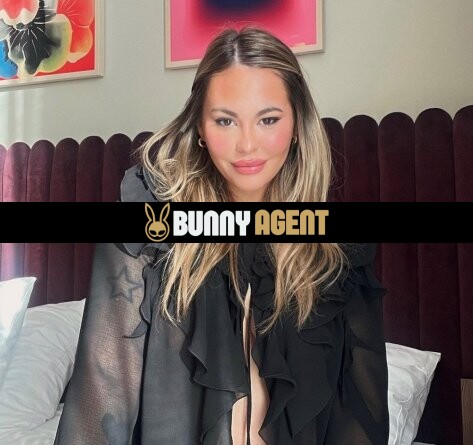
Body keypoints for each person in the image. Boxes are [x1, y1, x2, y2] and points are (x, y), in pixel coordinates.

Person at [54, 28, 389, 445]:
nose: (247, 145)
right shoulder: (149, 232)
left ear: (297, 125)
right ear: (200, 126)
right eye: (225, 120)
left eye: (268, 119)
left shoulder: (337, 256)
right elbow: (100, 403)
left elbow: (359, 420)